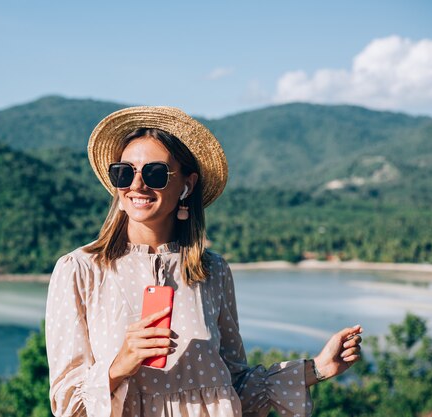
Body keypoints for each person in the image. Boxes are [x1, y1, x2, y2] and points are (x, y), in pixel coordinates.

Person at [45, 106, 362, 417]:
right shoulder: (79, 270)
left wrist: (318, 368)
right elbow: (66, 402)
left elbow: (236, 386)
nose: (137, 185)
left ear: (187, 184)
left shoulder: (213, 271)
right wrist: (119, 365)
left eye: (155, 173)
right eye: (124, 172)